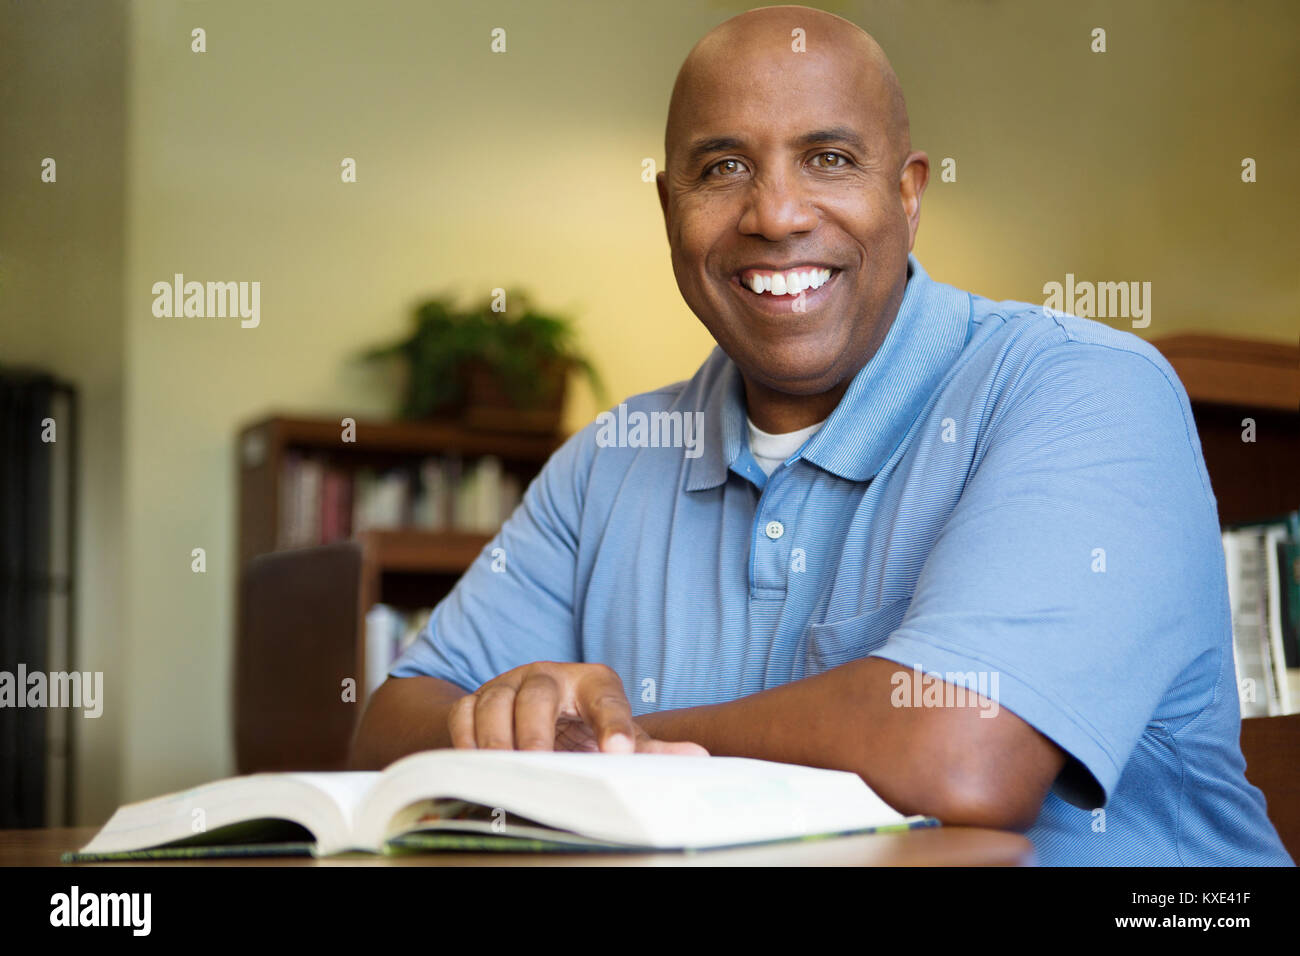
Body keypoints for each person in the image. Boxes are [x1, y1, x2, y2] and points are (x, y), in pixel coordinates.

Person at [351, 5, 1292, 866]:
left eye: (830, 158)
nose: (776, 214)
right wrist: (511, 722)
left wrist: (613, 747)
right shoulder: (609, 458)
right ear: (668, 208)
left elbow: (960, 756)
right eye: (722, 168)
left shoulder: (1083, 386)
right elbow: (389, 724)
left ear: (909, 192)